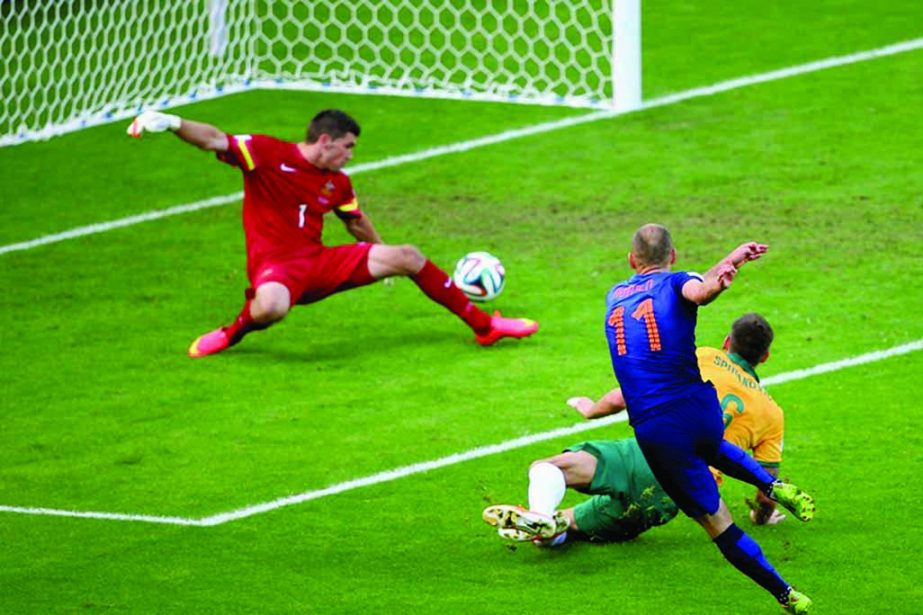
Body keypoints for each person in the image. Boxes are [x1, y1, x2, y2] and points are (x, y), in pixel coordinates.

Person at [487, 225, 813, 614]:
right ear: (673, 257)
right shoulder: (767, 407)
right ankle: (776, 504)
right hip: (698, 413)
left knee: (558, 487)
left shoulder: (614, 297)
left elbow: (638, 373)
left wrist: (592, 408)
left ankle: (547, 521)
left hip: (655, 437)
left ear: (631, 260)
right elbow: (698, 291)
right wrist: (725, 271)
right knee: (713, 449)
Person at [127, 109, 539, 358]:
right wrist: (171, 122)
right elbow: (214, 138)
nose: (350, 155)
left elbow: (355, 223)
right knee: (270, 307)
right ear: (325, 141)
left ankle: (486, 327)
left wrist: (384, 254)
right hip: (276, 268)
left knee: (409, 256)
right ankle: (232, 333)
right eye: (348, 146)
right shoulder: (268, 154)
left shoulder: (336, 181)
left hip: (319, 262)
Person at [483, 313, 790, 550]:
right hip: (677, 493)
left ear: (727, 342)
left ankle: (540, 513)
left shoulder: (704, 356)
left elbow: (627, 394)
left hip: (645, 455)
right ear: (764, 357)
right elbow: (768, 491)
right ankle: (549, 528)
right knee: (566, 525)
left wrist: (592, 409)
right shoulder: (771, 413)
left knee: (549, 468)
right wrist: (761, 517)